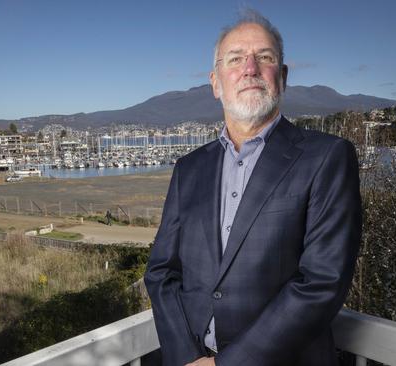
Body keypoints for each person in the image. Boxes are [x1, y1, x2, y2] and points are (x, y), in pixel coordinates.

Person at [144, 10, 362, 366]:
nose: (250, 68)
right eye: (235, 59)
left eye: (264, 57)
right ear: (215, 83)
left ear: (283, 76)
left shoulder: (327, 157)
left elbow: (322, 281)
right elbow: (161, 272)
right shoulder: (189, 168)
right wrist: (186, 357)